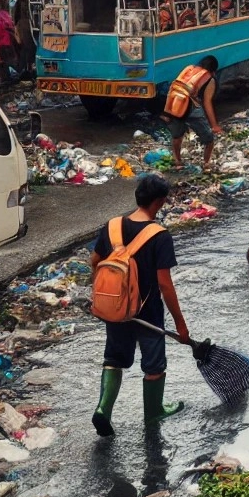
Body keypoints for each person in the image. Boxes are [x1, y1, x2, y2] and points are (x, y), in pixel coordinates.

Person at [90, 174, 188, 437]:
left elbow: (95, 261)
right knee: (154, 365)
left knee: (114, 359)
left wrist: (101, 295)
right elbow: (165, 284)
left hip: (115, 309)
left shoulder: (112, 227)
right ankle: (153, 412)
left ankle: (103, 409)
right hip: (148, 313)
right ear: (159, 202)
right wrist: (181, 324)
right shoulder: (159, 236)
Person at [163, 55, 220, 172]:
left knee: (177, 136)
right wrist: (214, 125)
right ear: (213, 70)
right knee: (209, 140)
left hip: (173, 103)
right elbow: (207, 103)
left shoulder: (189, 69)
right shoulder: (210, 78)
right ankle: (206, 164)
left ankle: (178, 162)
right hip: (190, 106)